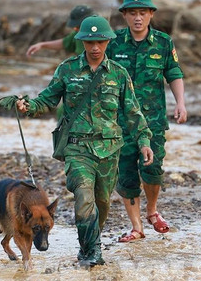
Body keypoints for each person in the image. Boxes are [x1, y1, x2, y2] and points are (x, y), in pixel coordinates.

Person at [13, 15, 154, 267]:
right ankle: (92, 255)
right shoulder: (67, 69)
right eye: (90, 42)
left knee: (101, 203)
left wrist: (144, 140)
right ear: (82, 42)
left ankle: (87, 245)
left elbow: (133, 112)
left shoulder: (119, 74)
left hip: (109, 150)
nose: (95, 47)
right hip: (78, 148)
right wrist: (28, 106)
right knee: (84, 200)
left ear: (108, 41)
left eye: (100, 41)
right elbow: (46, 99)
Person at [106, 0, 187, 243]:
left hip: (152, 120)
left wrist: (180, 103)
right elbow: (99, 75)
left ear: (151, 14)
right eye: (132, 13)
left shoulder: (163, 42)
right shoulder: (114, 42)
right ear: (125, 16)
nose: (137, 18)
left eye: (142, 13)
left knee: (153, 170)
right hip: (121, 122)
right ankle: (137, 227)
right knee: (127, 173)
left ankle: (152, 211)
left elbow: (173, 73)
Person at [26, 5, 94, 57]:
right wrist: (42, 45)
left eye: (78, 27)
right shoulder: (78, 35)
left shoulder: (101, 39)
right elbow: (64, 43)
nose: (75, 29)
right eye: (75, 27)